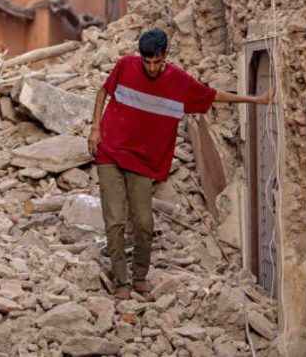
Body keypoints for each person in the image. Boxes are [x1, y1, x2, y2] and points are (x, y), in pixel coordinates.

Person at [88, 28, 274, 301]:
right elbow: (104, 91)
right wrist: (95, 129)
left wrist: (255, 100)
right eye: (147, 61)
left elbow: (212, 95)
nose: (151, 67)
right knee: (114, 221)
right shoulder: (125, 65)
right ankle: (122, 283)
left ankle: (140, 278)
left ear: (165, 56)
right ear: (140, 57)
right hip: (110, 153)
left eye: (157, 61)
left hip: (142, 161)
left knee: (143, 223)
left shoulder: (178, 82)